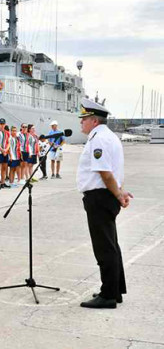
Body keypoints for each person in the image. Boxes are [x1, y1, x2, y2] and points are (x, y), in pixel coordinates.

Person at [76, 99, 132, 309]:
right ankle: (114, 290)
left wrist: (118, 195)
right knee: (111, 245)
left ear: (93, 120)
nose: (81, 123)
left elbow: (106, 173)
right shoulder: (109, 137)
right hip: (105, 195)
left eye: (83, 119)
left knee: (104, 248)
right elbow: (114, 171)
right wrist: (119, 192)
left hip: (100, 197)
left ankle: (108, 295)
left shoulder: (98, 139)